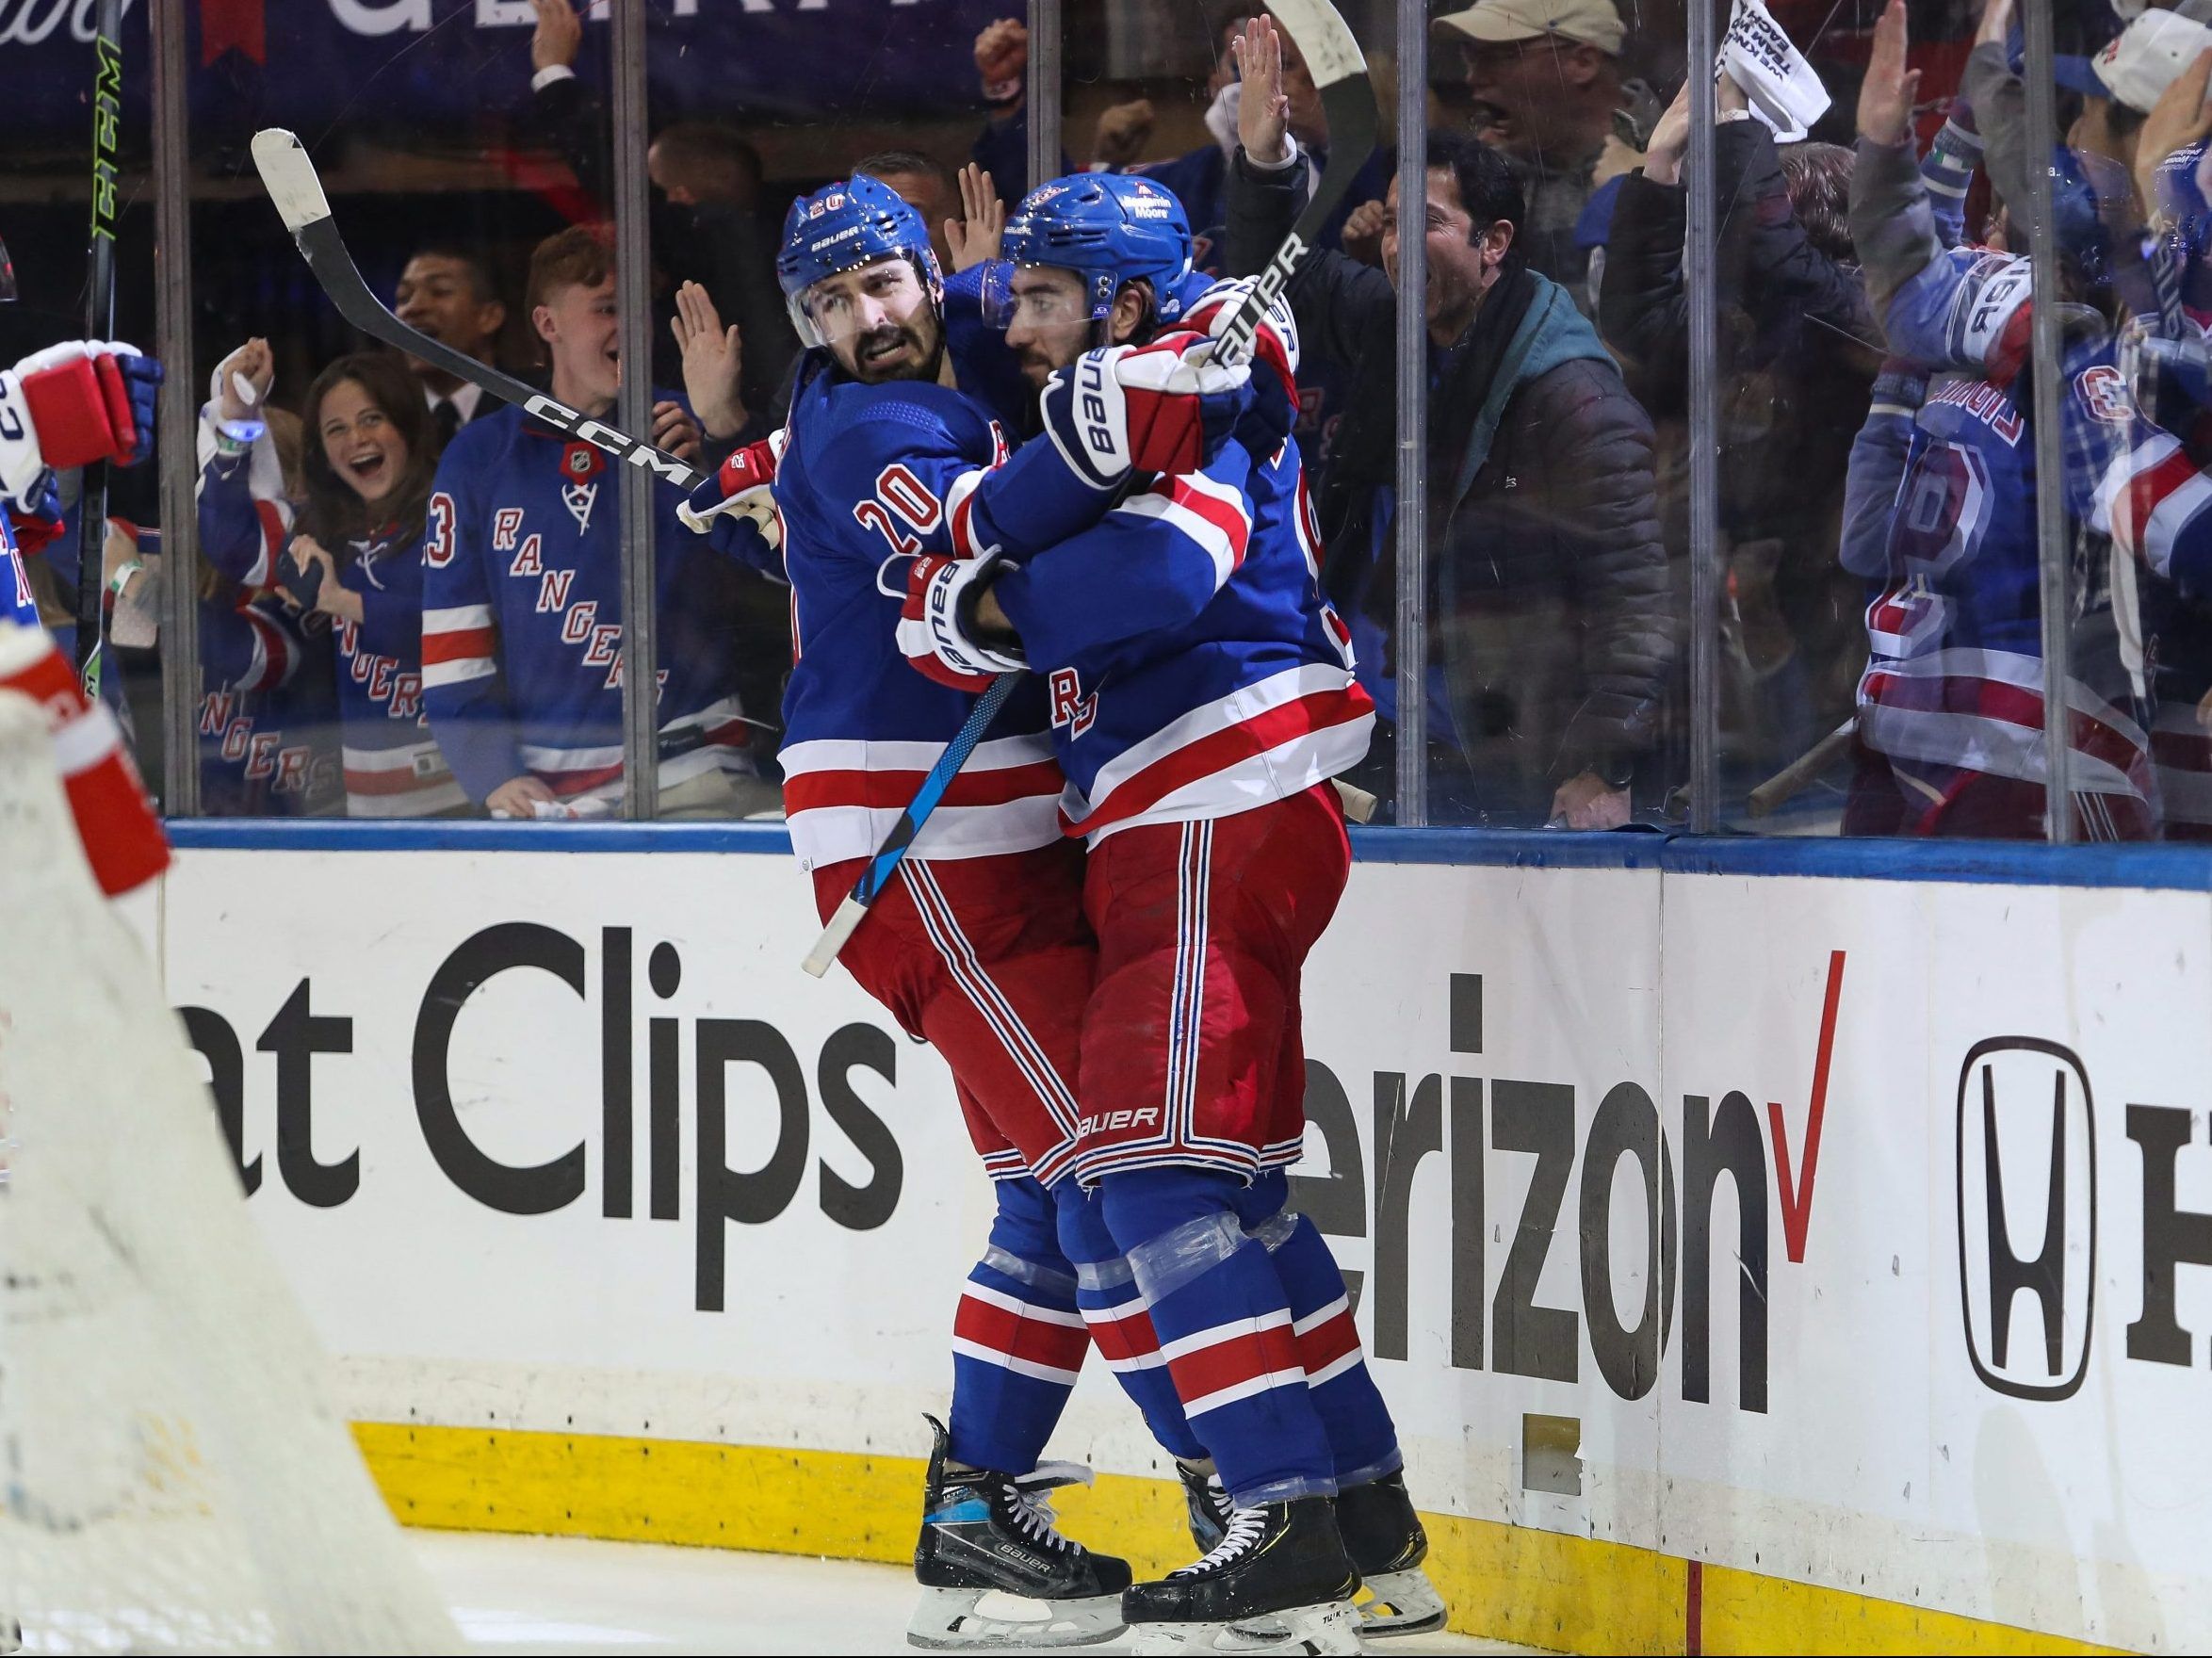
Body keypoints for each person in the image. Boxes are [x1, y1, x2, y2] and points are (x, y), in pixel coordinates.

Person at [682, 171, 1262, 1648]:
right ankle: (1227, 1489)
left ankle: (972, 1510)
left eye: (881, 285)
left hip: (990, 843)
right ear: (809, 322)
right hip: (925, 850)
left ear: (928, 274)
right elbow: (1009, 532)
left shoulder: (900, 401)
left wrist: (753, 458)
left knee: (1043, 1188)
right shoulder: (885, 425)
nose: (866, 320)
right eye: (830, 305)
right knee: (1105, 1171)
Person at [909, 171, 1445, 1650]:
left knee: (1146, 1179)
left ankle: (1276, 1519)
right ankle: (1377, 1529)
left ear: (1127, 306)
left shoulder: (1198, 397)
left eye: (1039, 301)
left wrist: (982, 593)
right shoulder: (1148, 382)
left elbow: (1165, 566)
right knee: (1240, 1199)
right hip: (1190, 813)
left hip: (1214, 797)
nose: (1012, 326)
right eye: (1006, 302)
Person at [1227, 17, 1671, 828]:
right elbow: (1282, 273)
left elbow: (1633, 597)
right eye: (1393, 223)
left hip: (1511, 762)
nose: (1397, 247)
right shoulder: (1394, 328)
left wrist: (1606, 762)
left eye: (1426, 223)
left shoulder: (1571, 396)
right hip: (1384, 733)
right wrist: (1267, 160)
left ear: (1494, 241)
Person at [1841, 0, 2212, 837]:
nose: (2073, 134)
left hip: (1932, 715)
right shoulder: (2075, 337)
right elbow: (2175, 526)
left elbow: (1909, 275)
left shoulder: (2021, 302)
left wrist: (1903, 146)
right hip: (2028, 735)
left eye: (2091, 118)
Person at [422, 224, 777, 821]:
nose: (630, 326)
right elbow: (453, 641)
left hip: (696, 770)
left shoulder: (685, 426)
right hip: (547, 794)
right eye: (608, 308)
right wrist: (491, 771)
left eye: (639, 309)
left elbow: (786, 563)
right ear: (547, 324)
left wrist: (722, 447)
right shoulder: (480, 457)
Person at [197, 342, 464, 817]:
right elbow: (231, 543)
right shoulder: (329, 535)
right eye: (336, 429)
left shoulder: (456, 516)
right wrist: (237, 417)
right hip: (368, 813)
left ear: (407, 424)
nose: (356, 439)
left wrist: (343, 602)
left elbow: (463, 629)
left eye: (372, 419)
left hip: (462, 803)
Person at [1434, 0, 1641, 309]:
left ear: (1583, 62)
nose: (1473, 78)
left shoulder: (1680, 160)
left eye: (1497, 57)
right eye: (1471, 57)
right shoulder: (1499, 171)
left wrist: (1643, 198)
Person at [393, 247, 510, 443]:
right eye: (404, 297)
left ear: (489, 317)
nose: (413, 308)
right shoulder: (391, 422)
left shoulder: (531, 411)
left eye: (439, 291)